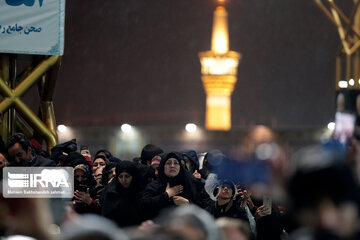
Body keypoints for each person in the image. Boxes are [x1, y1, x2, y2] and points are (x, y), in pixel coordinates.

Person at [140, 152, 202, 220]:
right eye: (168, 163)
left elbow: (204, 206)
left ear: (180, 167)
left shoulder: (191, 183)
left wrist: (188, 204)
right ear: (163, 166)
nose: (172, 165)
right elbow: (144, 206)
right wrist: (166, 195)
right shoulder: (155, 186)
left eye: (176, 163)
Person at [101, 160, 144, 227]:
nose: (124, 180)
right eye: (120, 176)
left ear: (133, 176)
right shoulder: (111, 193)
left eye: (127, 176)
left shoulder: (139, 192)